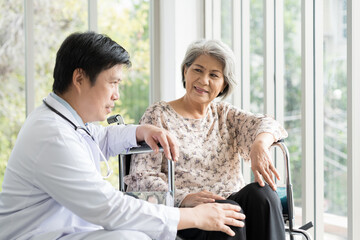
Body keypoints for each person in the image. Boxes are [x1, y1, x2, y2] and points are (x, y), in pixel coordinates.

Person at [0, 32, 245, 240]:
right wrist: (192, 216)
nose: (117, 95)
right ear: (79, 79)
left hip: (64, 230)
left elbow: (100, 138)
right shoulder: (53, 136)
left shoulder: (64, 121)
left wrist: (140, 131)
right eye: (113, 83)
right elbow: (109, 207)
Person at [124, 39, 288, 240]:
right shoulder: (159, 115)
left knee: (263, 194)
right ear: (186, 71)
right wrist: (183, 199)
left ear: (223, 84)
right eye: (198, 70)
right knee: (228, 213)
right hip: (187, 213)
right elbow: (142, 179)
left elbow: (269, 124)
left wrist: (259, 145)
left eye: (213, 75)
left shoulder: (224, 114)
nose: (203, 81)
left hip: (230, 202)